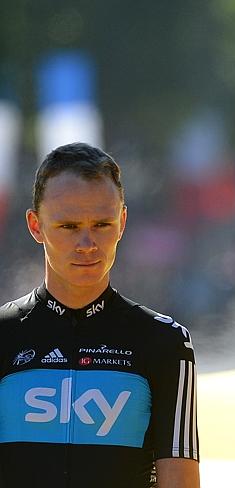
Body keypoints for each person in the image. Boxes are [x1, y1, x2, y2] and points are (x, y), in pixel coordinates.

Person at [0, 143, 200, 487]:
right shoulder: (4, 335)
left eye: (102, 224)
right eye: (68, 226)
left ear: (122, 222)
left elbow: (180, 480)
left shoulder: (166, 343)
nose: (87, 243)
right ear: (36, 226)